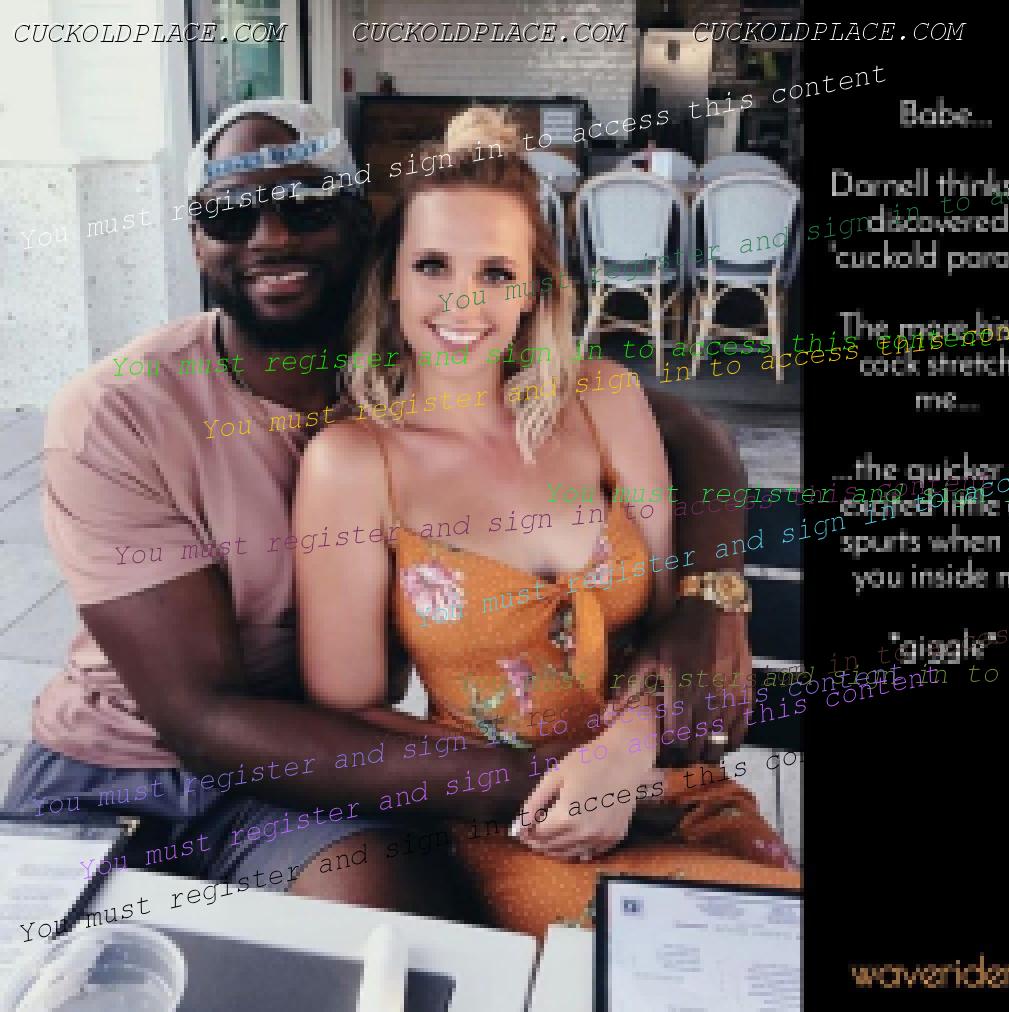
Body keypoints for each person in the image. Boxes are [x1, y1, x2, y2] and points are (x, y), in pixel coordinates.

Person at [3, 100, 773, 920]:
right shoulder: (121, 412)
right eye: (230, 215)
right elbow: (202, 720)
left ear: (359, 226)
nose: (271, 237)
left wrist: (709, 599)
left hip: (324, 772)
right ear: (196, 239)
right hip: (119, 764)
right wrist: (554, 774)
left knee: (408, 944)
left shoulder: (428, 350)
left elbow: (693, 435)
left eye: (305, 204)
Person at [294, 107, 800, 938]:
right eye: (433, 265)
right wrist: (546, 777)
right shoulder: (353, 462)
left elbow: (669, 623)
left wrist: (629, 747)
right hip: (516, 819)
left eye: (497, 272)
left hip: (675, 784)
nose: (463, 301)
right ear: (391, 281)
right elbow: (346, 714)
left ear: (534, 291)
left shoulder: (604, 401)